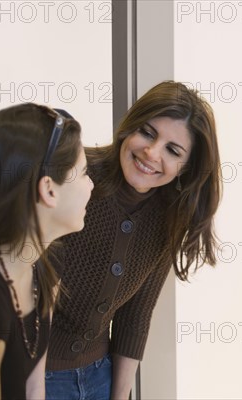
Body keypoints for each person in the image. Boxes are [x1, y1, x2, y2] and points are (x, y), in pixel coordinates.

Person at [44, 81, 222, 399]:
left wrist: (120, 394)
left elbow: (136, 314)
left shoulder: (170, 214)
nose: (151, 153)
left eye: (173, 150)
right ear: (130, 126)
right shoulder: (74, 177)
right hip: (35, 375)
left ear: (186, 168)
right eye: (148, 133)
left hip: (101, 377)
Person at [0, 103, 93, 399]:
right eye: (84, 173)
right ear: (49, 190)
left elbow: (34, 383)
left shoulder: (45, 259)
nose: (92, 185)